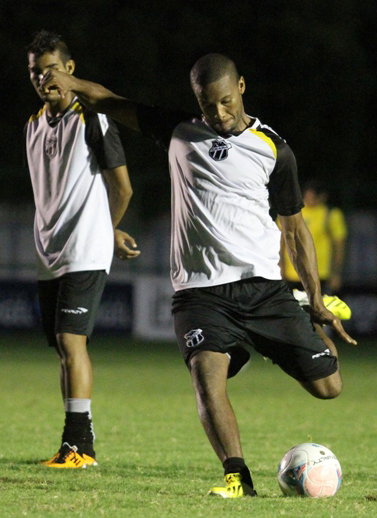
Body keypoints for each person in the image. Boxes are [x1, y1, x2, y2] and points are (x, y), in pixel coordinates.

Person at [39, 53, 356, 496]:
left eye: (226, 102)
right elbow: (111, 101)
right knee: (207, 379)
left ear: (241, 87)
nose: (220, 114)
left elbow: (295, 229)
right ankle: (237, 477)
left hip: (263, 288)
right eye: (209, 106)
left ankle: (288, 320)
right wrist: (70, 83)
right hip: (199, 294)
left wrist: (316, 298)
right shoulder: (179, 131)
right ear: (197, 101)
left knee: (329, 387)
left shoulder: (274, 150)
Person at [24, 31, 139, 468]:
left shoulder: (91, 117)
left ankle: (81, 446)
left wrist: (105, 230)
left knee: (72, 340)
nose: (43, 78)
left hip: (85, 251)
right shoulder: (33, 124)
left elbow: (122, 187)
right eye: (35, 71)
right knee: (61, 345)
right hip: (48, 252)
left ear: (70, 70)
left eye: (51, 69)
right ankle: (72, 440)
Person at [280, 179, 347, 294]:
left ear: (323, 197)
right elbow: (280, 242)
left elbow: (339, 246)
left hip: (320, 275)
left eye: (313, 196)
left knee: (318, 310)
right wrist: (280, 267)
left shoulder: (331, 214)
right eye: (307, 195)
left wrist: (336, 274)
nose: (309, 199)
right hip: (292, 274)